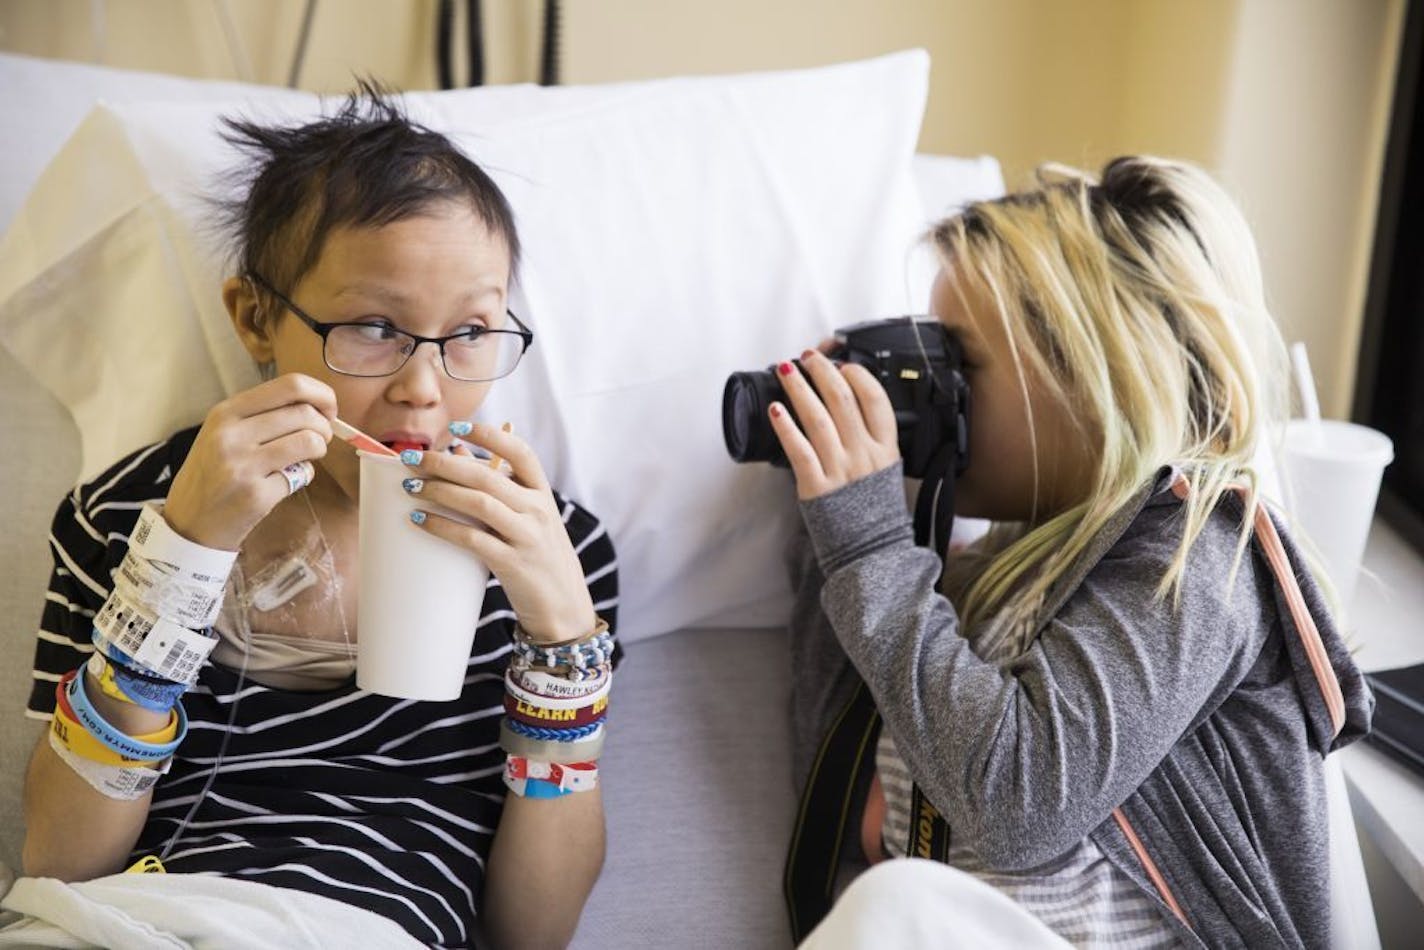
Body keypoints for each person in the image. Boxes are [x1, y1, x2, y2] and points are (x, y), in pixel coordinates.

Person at [19, 86, 618, 949]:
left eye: (472, 332)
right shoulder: (134, 515)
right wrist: (180, 562)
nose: (423, 386)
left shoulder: (553, 557)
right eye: (376, 327)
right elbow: (61, 862)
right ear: (255, 318)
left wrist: (562, 642)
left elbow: (535, 931)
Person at [775, 156, 1372, 948]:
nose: (932, 386)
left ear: (1092, 382)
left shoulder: (1196, 559)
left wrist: (870, 544)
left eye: (961, 363)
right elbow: (852, 798)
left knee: (898, 912)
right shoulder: (984, 589)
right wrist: (833, 527)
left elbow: (1019, 805)